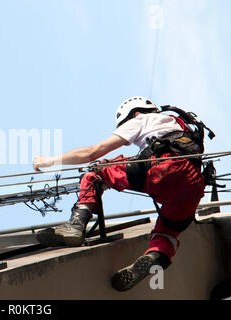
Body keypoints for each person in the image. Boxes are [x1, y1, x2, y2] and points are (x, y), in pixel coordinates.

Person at [32, 96, 206, 292]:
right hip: (193, 184)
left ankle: (76, 225)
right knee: (167, 232)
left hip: (161, 168)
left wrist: (47, 161)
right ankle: (156, 256)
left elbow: (91, 152)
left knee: (96, 171)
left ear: (135, 113)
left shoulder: (141, 119)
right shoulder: (181, 124)